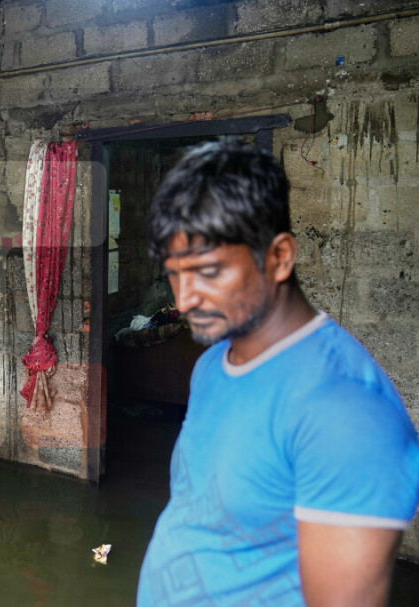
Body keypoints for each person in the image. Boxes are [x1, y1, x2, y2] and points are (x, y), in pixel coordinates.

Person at [137, 139, 419, 606]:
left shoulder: (346, 412)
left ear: (280, 256)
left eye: (208, 272)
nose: (184, 299)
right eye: (174, 273)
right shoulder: (212, 365)